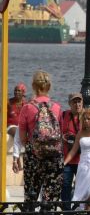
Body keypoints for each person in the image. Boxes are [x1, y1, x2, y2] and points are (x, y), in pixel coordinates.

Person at [17, 70, 64, 202]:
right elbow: (60, 134)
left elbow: (22, 138)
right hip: (54, 157)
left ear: (33, 86)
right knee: (51, 198)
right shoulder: (57, 108)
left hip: (34, 157)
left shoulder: (27, 108)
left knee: (31, 197)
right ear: (49, 87)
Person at [59, 92, 85, 208]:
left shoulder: (87, 116)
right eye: (74, 102)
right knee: (65, 186)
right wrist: (63, 137)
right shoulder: (64, 115)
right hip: (67, 158)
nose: (77, 104)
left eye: (79, 101)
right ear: (69, 104)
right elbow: (57, 132)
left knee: (82, 187)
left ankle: (78, 210)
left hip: (82, 160)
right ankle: (66, 212)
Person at [6, 81, 27, 148]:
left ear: (23, 93)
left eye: (19, 91)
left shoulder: (26, 104)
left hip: (21, 127)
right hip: (10, 127)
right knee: (17, 133)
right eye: (15, 90)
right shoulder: (8, 103)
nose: (16, 92)